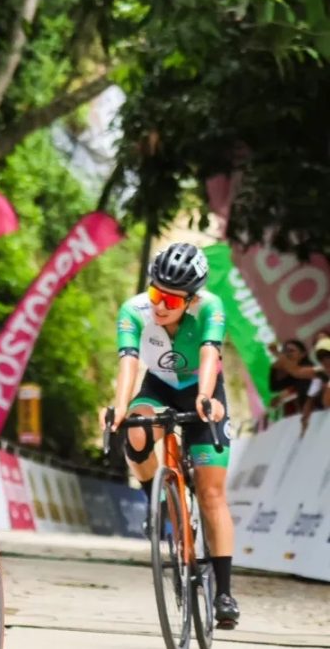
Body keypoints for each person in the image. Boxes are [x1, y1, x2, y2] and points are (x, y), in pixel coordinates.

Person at [100, 242, 240, 628]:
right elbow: (128, 362)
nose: (160, 305)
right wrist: (119, 408)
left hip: (201, 389)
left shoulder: (210, 307)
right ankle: (156, 503)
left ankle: (225, 592)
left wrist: (206, 398)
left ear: (191, 300)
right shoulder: (134, 310)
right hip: (158, 387)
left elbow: (211, 353)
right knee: (137, 434)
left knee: (212, 494)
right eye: (155, 293)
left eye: (171, 299)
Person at [268, 339, 313, 417]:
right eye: (285, 351)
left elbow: (297, 373)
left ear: (303, 354)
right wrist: (274, 368)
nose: (287, 354)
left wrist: (277, 355)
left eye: (291, 351)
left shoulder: (308, 366)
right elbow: (275, 387)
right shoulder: (291, 373)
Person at [300, 338, 330, 435]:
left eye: (328, 356)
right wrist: (305, 418)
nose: (326, 361)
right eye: (321, 358)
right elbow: (323, 402)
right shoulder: (319, 377)